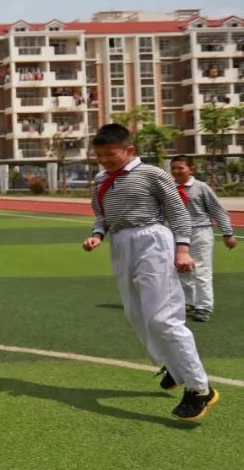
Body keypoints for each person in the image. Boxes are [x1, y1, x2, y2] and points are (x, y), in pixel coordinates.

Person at [82, 124, 217, 420]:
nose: (105, 160)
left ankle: (199, 388)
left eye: (110, 154)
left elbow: (177, 211)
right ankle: (171, 365)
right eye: (100, 155)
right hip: (120, 243)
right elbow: (101, 216)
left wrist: (182, 249)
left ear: (129, 150)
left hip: (152, 239)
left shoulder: (153, 174)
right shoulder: (102, 179)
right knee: (137, 314)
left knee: (163, 317)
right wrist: (97, 235)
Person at [169, 155, 236, 322]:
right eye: (173, 168)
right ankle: (187, 301)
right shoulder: (169, 188)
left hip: (199, 232)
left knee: (201, 271)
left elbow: (218, 210)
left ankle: (204, 306)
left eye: (180, 168)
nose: (176, 171)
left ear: (191, 169)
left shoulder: (201, 187)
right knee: (181, 270)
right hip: (177, 234)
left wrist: (228, 233)